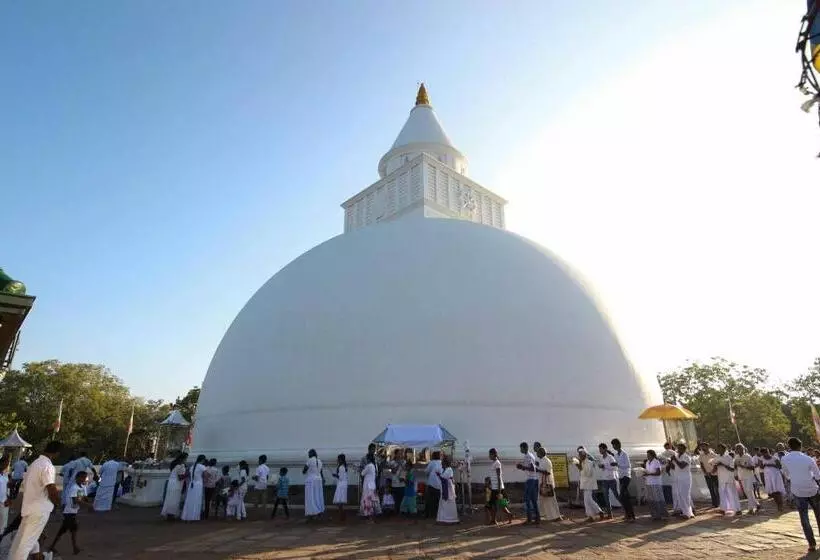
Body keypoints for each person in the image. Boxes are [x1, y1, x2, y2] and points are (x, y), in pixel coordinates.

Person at [8, 440, 62, 560]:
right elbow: (51, 488)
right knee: (26, 544)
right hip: (39, 510)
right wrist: (58, 503)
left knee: (20, 541)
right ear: (57, 453)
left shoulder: (35, 464)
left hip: (29, 508)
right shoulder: (47, 466)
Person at [781, 437, 820, 553]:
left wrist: (794, 478)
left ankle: (811, 544)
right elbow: (818, 475)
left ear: (789, 446)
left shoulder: (784, 459)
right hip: (812, 489)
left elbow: (786, 474)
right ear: (800, 446)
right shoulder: (808, 458)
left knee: (804, 518)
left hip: (797, 490)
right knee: (819, 515)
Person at [49, 470, 88, 556]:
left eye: (84, 478)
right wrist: (88, 505)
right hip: (69, 513)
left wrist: (86, 501)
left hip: (72, 512)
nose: (83, 480)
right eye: (82, 478)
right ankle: (75, 547)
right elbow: (76, 500)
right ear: (77, 478)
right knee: (73, 530)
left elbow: (83, 497)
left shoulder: (82, 487)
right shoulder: (74, 488)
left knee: (63, 530)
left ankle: (52, 546)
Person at [575, 447, 604, 522]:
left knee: (587, 500)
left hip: (589, 484)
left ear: (585, 455)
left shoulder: (589, 463)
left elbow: (588, 474)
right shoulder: (583, 462)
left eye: (581, 455)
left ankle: (594, 514)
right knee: (587, 500)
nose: (579, 457)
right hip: (585, 484)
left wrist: (580, 467)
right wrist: (580, 466)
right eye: (579, 455)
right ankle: (596, 513)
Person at [611, 438, 635, 522]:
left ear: (618, 445)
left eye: (614, 444)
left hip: (626, 476)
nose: (614, 446)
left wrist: (617, 464)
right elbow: (616, 466)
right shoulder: (616, 455)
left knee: (622, 496)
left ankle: (631, 516)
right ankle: (628, 515)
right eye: (613, 445)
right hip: (620, 477)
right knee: (625, 497)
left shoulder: (624, 454)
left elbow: (627, 465)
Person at [516, 442, 540, 524]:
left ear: (525, 448)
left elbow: (532, 468)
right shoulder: (531, 455)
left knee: (527, 499)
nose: (520, 450)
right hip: (533, 479)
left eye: (521, 448)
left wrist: (522, 467)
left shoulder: (528, 456)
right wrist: (522, 468)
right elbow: (531, 468)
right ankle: (537, 517)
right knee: (533, 500)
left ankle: (529, 519)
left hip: (530, 480)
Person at [535, 447, 561, 522]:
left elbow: (548, 472)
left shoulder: (547, 461)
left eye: (538, 452)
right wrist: (537, 466)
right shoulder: (541, 460)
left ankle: (557, 516)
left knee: (551, 500)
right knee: (540, 500)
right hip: (542, 483)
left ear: (541, 453)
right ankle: (540, 515)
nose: (536, 454)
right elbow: (541, 468)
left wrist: (538, 469)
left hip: (547, 483)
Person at [714, 443, 741, 515]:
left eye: (719, 448)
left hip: (729, 478)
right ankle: (723, 509)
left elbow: (732, 469)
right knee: (722, 493)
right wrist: (714, 467)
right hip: (721, 478)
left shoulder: (729, 457)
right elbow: (715, 468)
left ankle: (738, 509)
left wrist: (722, 464)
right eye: (717, 448)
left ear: (723, 449)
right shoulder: (716, 457)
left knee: (732, 494)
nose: (718, 450)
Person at [160, 453, 188, 520]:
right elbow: (180, 477)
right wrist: (188, 474)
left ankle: (169, 513)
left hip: (171, 482)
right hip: (176, 483)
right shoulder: (180, 466)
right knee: (174, 499)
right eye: (186, 459)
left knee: (170, 498)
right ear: (183, 459)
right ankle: (171, 514)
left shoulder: (174, 464)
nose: (186, 460)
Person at [670, 443, 694, 519]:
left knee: (685, 495)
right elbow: (675, 467)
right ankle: (684, 511)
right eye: (678, 448)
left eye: (680, 448)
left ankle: (688, 513)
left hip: (685, 479)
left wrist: (675, 459)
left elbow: (682, 466)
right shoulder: (677, 456)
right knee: (679, 495)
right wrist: (670, 462)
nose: (678, 450)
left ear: (684, 449)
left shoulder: (687, 457)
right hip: (678, 478)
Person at [734, 444, 760, 515]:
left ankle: (751, 509)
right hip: (741, 476)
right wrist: (735, 475)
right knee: (747, 492)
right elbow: (735, 467)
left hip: (749, 476)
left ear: (743, 449)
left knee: (749, 490)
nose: (738, 450)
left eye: (740, 448)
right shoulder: (736, 457)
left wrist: (744, 466)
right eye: (737, 448)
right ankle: (757, 504)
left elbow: (752, 467)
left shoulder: (748, 456)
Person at [181, 454, 207, 521]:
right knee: (196, 500)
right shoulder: (202, 466)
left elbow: (188, 475)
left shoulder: (192, 466)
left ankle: (187, 515)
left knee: (189, 500)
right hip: (198, 485)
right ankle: (194, 516)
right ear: (203, 460)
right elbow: (206, 475)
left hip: (192, 484)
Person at [596, 443, 618, 519]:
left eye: (601, 449)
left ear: (605, 449)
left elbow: (615, 468)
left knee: (616, 495)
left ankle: (626, 511)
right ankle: (610, 513)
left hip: (611, 479)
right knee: (606, 497)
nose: (600, 450)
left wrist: (605, 466)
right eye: (599, 449)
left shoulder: (610, 457)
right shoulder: (601, 458)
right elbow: (603, 467)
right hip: (604, 479)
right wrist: (601, 466)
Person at [644, 449, 667, 521]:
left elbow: (658, 473)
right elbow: (647, 471)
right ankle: (655, 514)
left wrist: (649, 474)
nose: (647, 456)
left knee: (658, 499)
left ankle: (662, 514)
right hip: (649, 482)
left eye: (649, 455)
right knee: (651, 499)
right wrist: (644, 474)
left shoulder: (656, 462)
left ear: (652, 455)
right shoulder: (647, 462)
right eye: (647, 455)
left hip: (656, 483)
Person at [760, 447, 785, 512]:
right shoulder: (762, 459)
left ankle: (781, 505)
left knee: (777, 491)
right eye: (763, 453)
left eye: (766, 452)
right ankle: (778, 505)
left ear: (768, 451)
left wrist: (771, 464)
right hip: (768, 477)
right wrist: (763, 464)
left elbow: (780, 466)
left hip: (776, 476)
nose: (765, 454)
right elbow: (761, 467)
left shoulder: (775, 458)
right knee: (773, 492)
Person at [436, 457, 459, 524]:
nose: (441, 465)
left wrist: (439, 475)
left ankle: (450, 519)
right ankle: (443, 518)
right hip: (445, 488)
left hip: (448, 489)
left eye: (442, 463)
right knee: (443, 504)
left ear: (445, 463)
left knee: (448, 503)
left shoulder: (449, 469)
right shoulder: (445, 469)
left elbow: (444, 477)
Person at [303, 449, 324, 519]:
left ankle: (312, 512)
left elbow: (304, 470)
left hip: (311, 481)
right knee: (318, 496)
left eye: (309, 453)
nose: (308, 455)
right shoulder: (320, 461)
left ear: (312, 454)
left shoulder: (309, 460)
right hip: (319, 480)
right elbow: (321, 472)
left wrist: (305, 470)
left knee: (311, 497)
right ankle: (319, 511)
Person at [698, 442, 720, 508]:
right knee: (710, 488)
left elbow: (716, 465)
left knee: (716, 488)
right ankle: (714, 503)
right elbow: (701, 464)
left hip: (715, 474)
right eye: (702, 446)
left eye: (704, 446)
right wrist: (705, 472)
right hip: (707, 474)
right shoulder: (701, 455)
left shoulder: (713, 454)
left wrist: (712, 472)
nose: (703, 448)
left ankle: (719, 502)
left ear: (708, 447)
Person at [486, 448, 504, 525]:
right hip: (493, 487)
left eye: (490, 454)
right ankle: (494, 520)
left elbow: (499, 476)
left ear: (493, 454)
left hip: (497, 487)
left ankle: (494, 520)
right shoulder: (494, 463)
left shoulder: (497, 463)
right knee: (495, 504)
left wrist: (499, 490)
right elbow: (493, 475)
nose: (489, 456)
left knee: (493, 504)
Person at [424, 451, 442, 519]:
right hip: (439, 484)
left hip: (431, 483)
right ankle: (437, 514)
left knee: (429, 500)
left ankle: (428, 514)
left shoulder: (432, 462)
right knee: (438, 500)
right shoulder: (441, 463)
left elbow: (426, 471)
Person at [359, 456, 378, 522]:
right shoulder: (373, 466)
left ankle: (370, 518)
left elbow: (362, 473)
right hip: (372, 485)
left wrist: (361, 469)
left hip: (368, 486)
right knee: (372, 501)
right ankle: (372, 517)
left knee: (368, 501)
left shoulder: (368, 466)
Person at [332, 454, 348, 521]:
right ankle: (341, 515)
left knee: (339, 501)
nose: (337, 460)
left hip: (341, 485)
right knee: (340, 502)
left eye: (338, 459)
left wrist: (335, 475)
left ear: (341, 460)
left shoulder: (341, 467)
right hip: (343, 484)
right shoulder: (344, 466)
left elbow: (340, 477)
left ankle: (341, 516)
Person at [0, 458, 10, 533]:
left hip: (5, 501)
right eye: (6, 463)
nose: (7, 465)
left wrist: (8, 498)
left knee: (3, 519)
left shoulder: (5, 474)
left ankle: (1, 533)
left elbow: (5, 487)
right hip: (1, 501)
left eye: (8, 463)